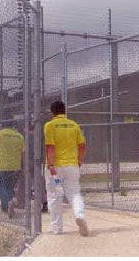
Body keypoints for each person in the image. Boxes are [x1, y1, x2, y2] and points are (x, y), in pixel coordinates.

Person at [44, 101, 89, 236]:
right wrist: (79, 160)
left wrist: (51, 165)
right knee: (74, 193)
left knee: (54, 196)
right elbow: (82, 146)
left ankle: (57, 228)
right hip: (72, 166)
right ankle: (79, 215)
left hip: (56, 168)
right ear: (64, 111)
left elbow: (50, 147)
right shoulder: (74, 125)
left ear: (52, 113)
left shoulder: (50, 125)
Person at [0, 125, 25, 219]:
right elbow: (23, 153)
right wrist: (23, 166)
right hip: (15, 166)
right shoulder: (19, 136)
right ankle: (6, 206)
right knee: (9, 186)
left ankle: (8, 201)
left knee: (0, 186)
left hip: (2, 166)